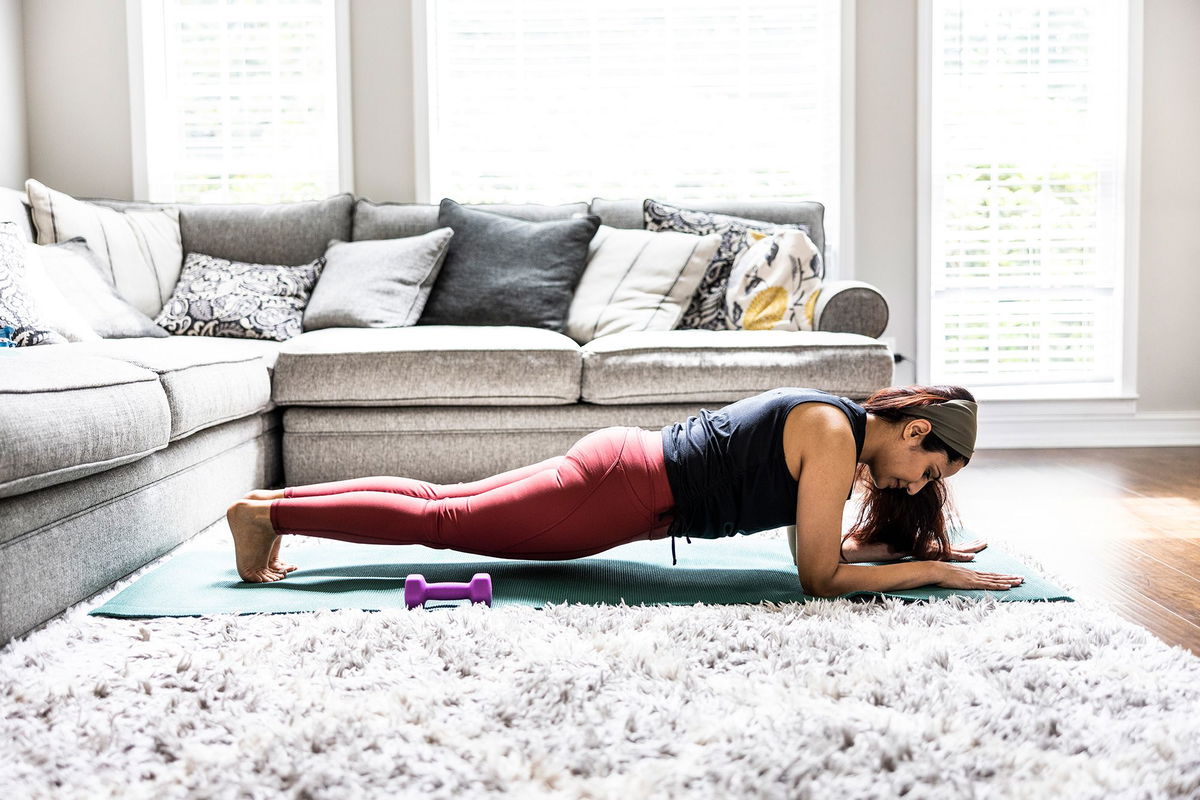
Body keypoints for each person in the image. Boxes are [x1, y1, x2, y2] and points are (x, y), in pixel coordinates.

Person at [226, 385, 1024, 597]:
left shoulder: (836, 427)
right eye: (925, 474)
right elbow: (818, 579)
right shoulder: (831, 435)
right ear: (917, 432)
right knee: (447, 522)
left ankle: (273, 512)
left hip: (619, 466)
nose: (912, 485)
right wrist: (932, 572)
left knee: (442, 502)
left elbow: (821, 549)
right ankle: (268, 515)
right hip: (619, 496)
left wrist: (906, 546)